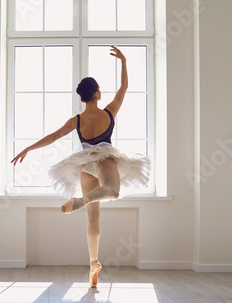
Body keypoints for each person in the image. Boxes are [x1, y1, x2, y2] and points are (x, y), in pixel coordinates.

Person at [11, 46, 151, 288]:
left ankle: (93, 261)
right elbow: (123, 88)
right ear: (97, 94)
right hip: (104, 158)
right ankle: (82, 201)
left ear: (83, 97)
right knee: (113, 191)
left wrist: (27, 149)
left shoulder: (77, 120)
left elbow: (53, 137)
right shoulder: (109, 112)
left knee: (93, 219)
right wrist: (124, 62)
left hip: (84, 163)